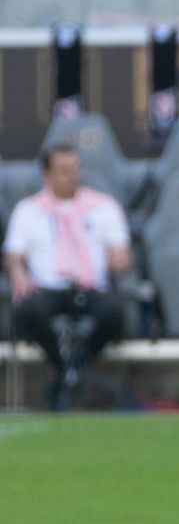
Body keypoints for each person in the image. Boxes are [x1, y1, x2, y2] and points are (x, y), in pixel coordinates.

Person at [3, 143, 132, 410]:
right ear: (46, 176)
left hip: (90, 287)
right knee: (28, 309)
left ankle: (68, 374)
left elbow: (123, 254)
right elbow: (13, 255)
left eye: (75, 168)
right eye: (63, 170)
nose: (72, 175)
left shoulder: (104, 206)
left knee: (114, 312)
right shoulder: (28, 210)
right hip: (47, 288)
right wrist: (19, 274)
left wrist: (120, 259)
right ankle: (69, 369)